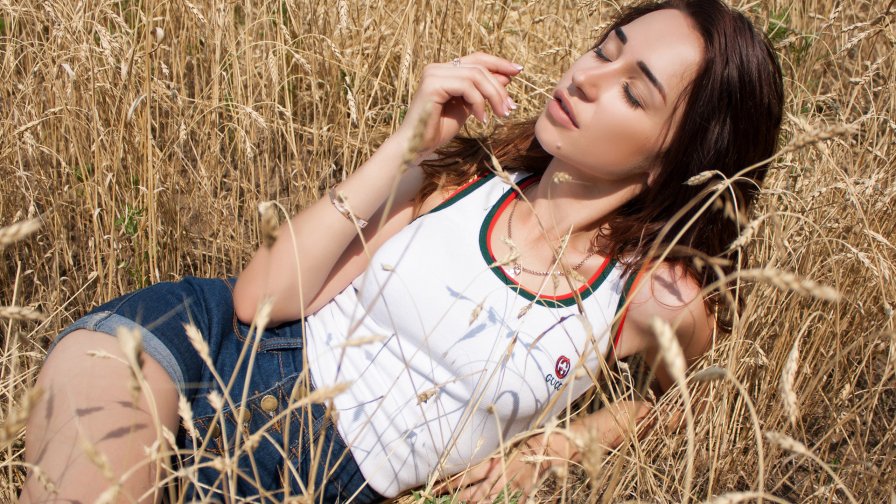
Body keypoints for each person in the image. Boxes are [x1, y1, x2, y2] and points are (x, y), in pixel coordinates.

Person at [19, 0, 783, 502]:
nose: (586, 77)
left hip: (325, 477)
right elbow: (259, 303)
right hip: (214, 346)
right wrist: (406, 145)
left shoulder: (641, 296)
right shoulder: (462, 179)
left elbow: (695, 396)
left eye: (632, 89)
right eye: (603, 50)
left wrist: (560, 445)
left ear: (672, 159)